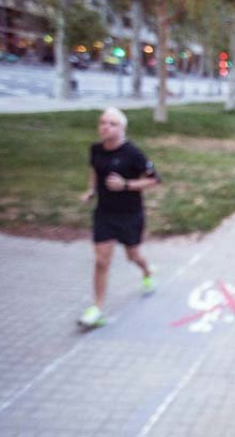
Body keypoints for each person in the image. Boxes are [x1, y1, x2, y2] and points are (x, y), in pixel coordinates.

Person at [78, 107, 160, 327]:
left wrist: (126, 185)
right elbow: (95, 172)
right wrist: (91, 191)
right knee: (101, 260)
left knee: (132, 255)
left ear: (122, 128)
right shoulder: (95, 150)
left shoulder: (133, 153)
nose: (105, 127)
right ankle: (97, 308)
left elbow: (154, 180)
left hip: (130, 214)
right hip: (104, 214)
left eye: (112, 124)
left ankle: (147, 270)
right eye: (102, 122)